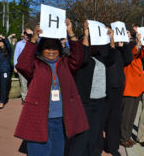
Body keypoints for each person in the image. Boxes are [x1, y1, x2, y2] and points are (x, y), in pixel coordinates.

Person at [14, 19, 88, 156]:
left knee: (57, 153)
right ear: (41, 49)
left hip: (61, 120)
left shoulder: (65, 63)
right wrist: (34, 38)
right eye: (47, 47)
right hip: (39, 118)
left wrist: (70, 32)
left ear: (60, 49)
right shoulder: (35, 64)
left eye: (54, 47)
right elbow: (22, 65)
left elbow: (79, 58)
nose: (51, 51)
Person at [69, 21, 116, 156]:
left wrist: (111, 38)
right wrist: (86, 34)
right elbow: (82, 58)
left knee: (94, 135)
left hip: (100, 102)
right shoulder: (83, 56)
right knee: (81, 136)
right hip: (85, 102)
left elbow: (112, 59)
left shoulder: (101, 56)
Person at [97, 39, 132, 155]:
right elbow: (108, 61)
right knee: (103, 118)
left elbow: (128, 60)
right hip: (107, 87)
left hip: (118, 86)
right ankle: (97, 146)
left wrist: (124, 44)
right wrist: (111, 44)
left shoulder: (118, 49)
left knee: (115, 118)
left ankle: (112, 146)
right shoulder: (102, 47)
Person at [120, 27, 144, 148]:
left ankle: (127, 136)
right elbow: (130, 55)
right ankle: (122, 138)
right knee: (126, 115)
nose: (128, 35)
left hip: (137, 86)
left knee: (132, 115)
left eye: (129, 33)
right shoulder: (124, 48)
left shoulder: (133, 46)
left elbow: (143, 51)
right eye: (126, 33)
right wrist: (137, 43)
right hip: (129, 87)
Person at [13, 29, 33, 104]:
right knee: (23, 84)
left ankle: (31, 97)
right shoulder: (19, 44)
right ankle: (24, 99)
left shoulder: (33, 43)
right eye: (26, 35)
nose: (28, 36)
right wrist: (15, 66)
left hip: (31, 67)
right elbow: (16, 55)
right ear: (24, 35)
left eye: (29, 35)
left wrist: (33, 33)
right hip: (21, 67)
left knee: (31, 83)